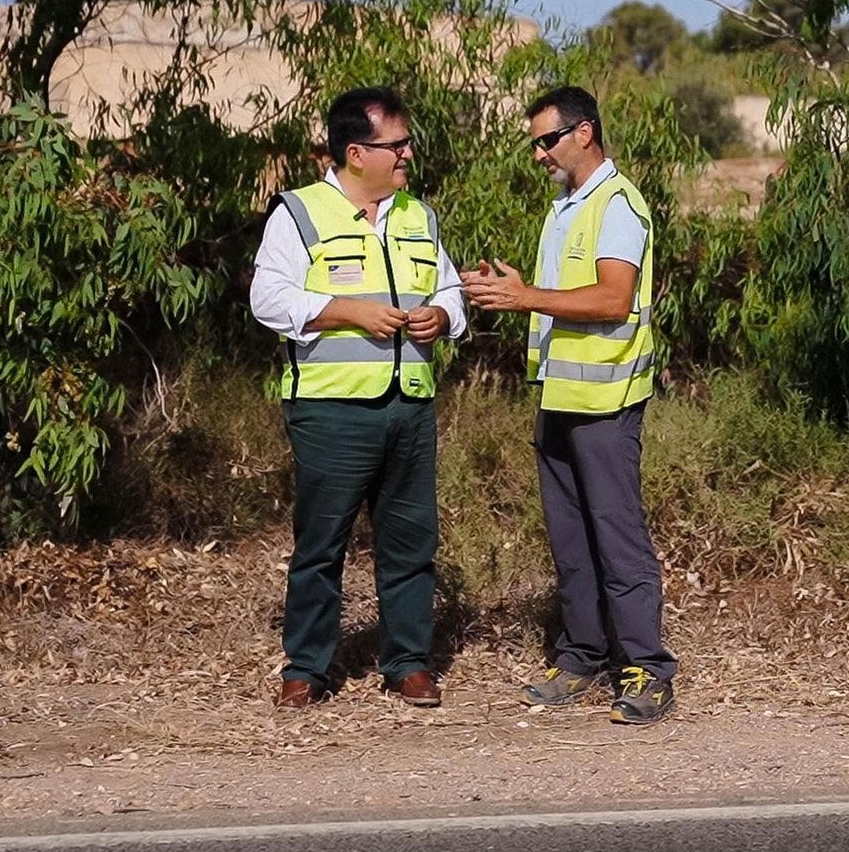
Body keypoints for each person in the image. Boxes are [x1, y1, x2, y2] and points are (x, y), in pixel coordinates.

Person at [463, 85, 676, 724]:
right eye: (534, 142)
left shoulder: (616, 204)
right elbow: (554, 295)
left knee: (617, 539)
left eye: (547, 139)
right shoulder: (565, 205)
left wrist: (525, 297)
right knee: (571, 539)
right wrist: (511, 291)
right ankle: (581, 656)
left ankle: (647, 671)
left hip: (605, 403)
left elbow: (613, 300)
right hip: (559, 399)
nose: (538, 153)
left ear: (584, 133)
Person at [250, 87, 466, 709]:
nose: (407, 155)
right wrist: (347, 313)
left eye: (406, 143)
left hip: (410, 406)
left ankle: (408, 663)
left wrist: (442, 317)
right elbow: (269, 300)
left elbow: (449, 290)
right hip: (331, 411)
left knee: (410, 540)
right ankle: (307, 669)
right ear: (354, 152)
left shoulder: (418, 215)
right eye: (395, 145)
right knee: (323, 543)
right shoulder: (298, 213)